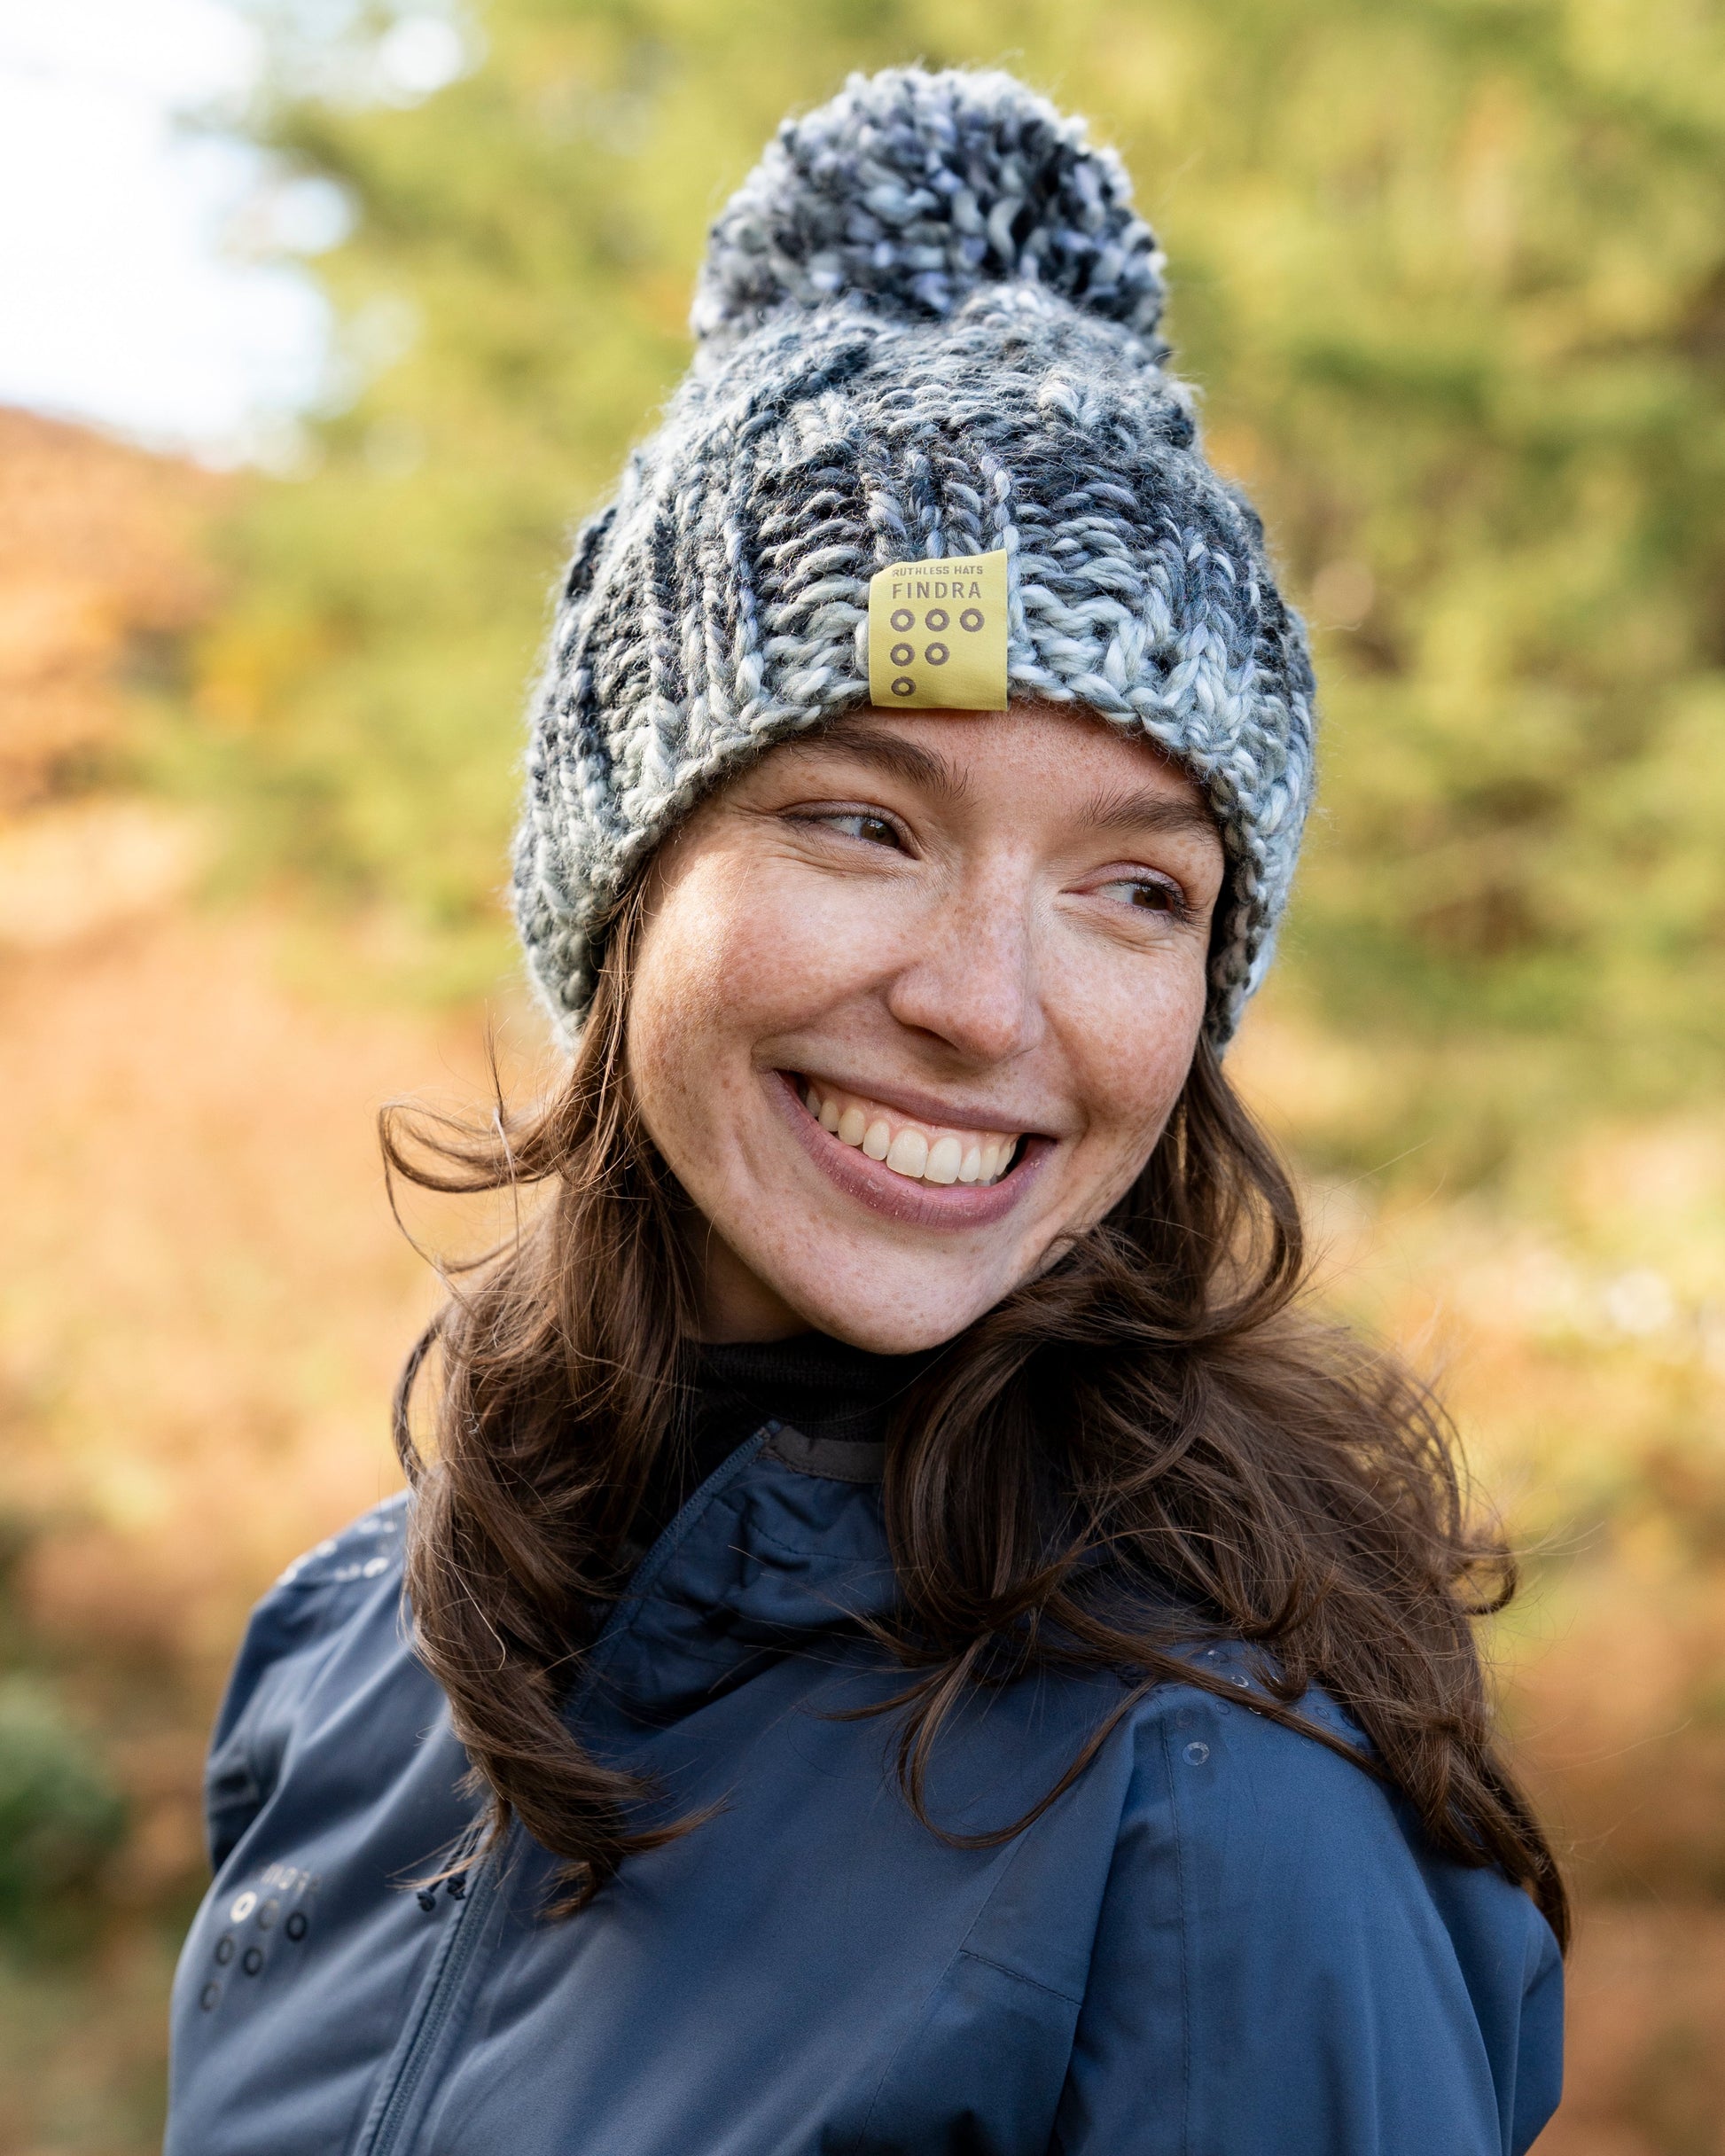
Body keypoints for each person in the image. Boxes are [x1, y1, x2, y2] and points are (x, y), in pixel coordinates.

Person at [163, 66, 1564, 2156]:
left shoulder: (1218, 1817)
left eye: (1134, 886)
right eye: (860, 820)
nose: (982, 1006)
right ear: (622, 878)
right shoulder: (350, 1656)